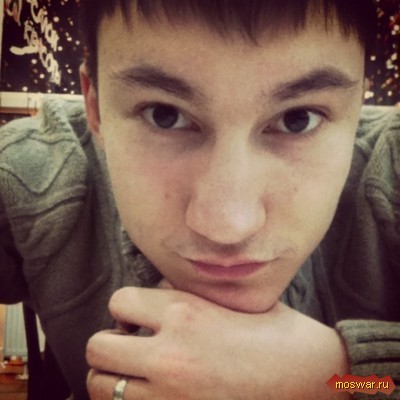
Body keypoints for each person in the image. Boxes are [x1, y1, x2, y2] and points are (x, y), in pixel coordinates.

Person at [0, 0, 399, 399]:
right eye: (164, 115)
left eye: (298, 119)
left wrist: (333, 377)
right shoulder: (33, 174)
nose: (228, 226)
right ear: (95, 107)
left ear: (358, 105)